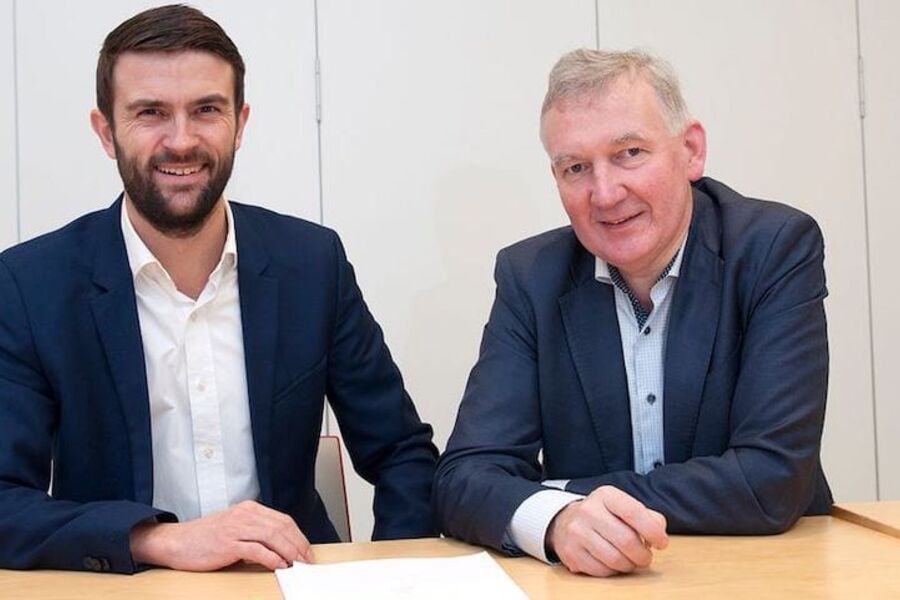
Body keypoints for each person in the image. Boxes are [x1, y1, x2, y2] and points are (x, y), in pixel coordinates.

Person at [0, 4, 437, 574]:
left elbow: (402, 454)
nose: (181, 141)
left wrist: (389, 574)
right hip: (124, 586)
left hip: (288, 581)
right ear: (106, 132)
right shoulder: (31, 285)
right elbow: (5, 500)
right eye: (150, 113)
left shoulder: (313, 263)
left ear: (240, 122)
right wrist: (156, 540)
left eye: (206, 110)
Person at [434, 48, 832, 577]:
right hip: (598, 585)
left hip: (764, 572)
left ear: (690, 151)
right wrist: (557, 524)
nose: (605, 193)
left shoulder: (773, 249)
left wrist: (559, 496)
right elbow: (463, 478)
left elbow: (770, 481)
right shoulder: (531, 276)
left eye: (629, 153)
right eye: (576, 167)